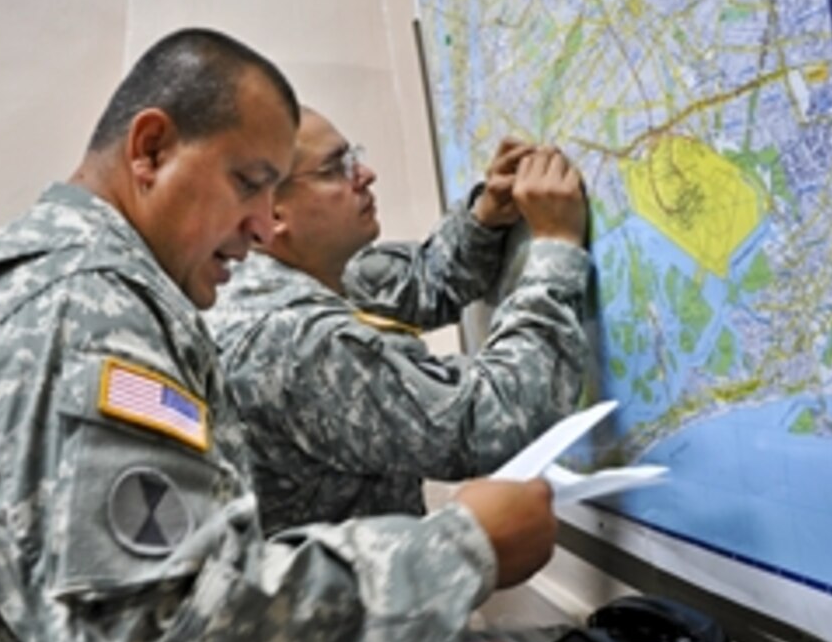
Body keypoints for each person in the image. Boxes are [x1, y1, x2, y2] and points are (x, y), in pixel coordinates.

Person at [0, 27, 558, 642]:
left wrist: (482, 223)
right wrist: (464, 552)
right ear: (152, 149)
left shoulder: (76, 277)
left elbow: (404, 283)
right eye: (249, 183)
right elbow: (167, 636)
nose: (261, 228)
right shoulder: (81, 314)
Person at [206, 106, 591, 535]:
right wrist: (556, 246)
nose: (365, 174)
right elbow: (489, 420)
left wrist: (486, 217)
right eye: (337, 168)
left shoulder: (259, 277)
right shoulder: (293, 339)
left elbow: (422, 281)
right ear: (272, 213)